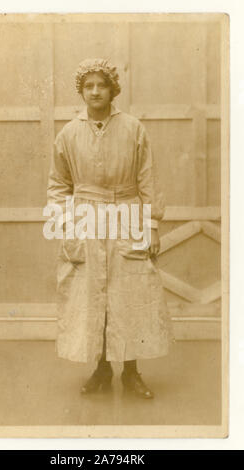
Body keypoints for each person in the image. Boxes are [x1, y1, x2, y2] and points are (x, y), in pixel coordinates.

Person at [46, 58, 173, 399]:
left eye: (101, 85)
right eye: (88, 86)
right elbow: (58, 185)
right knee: (93, 295)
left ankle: (131, 372)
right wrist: (63, 225)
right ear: (81, 91)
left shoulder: (133, 129)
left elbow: (147, 178)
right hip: (86, 219)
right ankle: (101, 370)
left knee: (130, 296)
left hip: (127, 214)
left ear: (113, 89)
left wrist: (152, 225)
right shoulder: (69, 133)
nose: (95, 91)